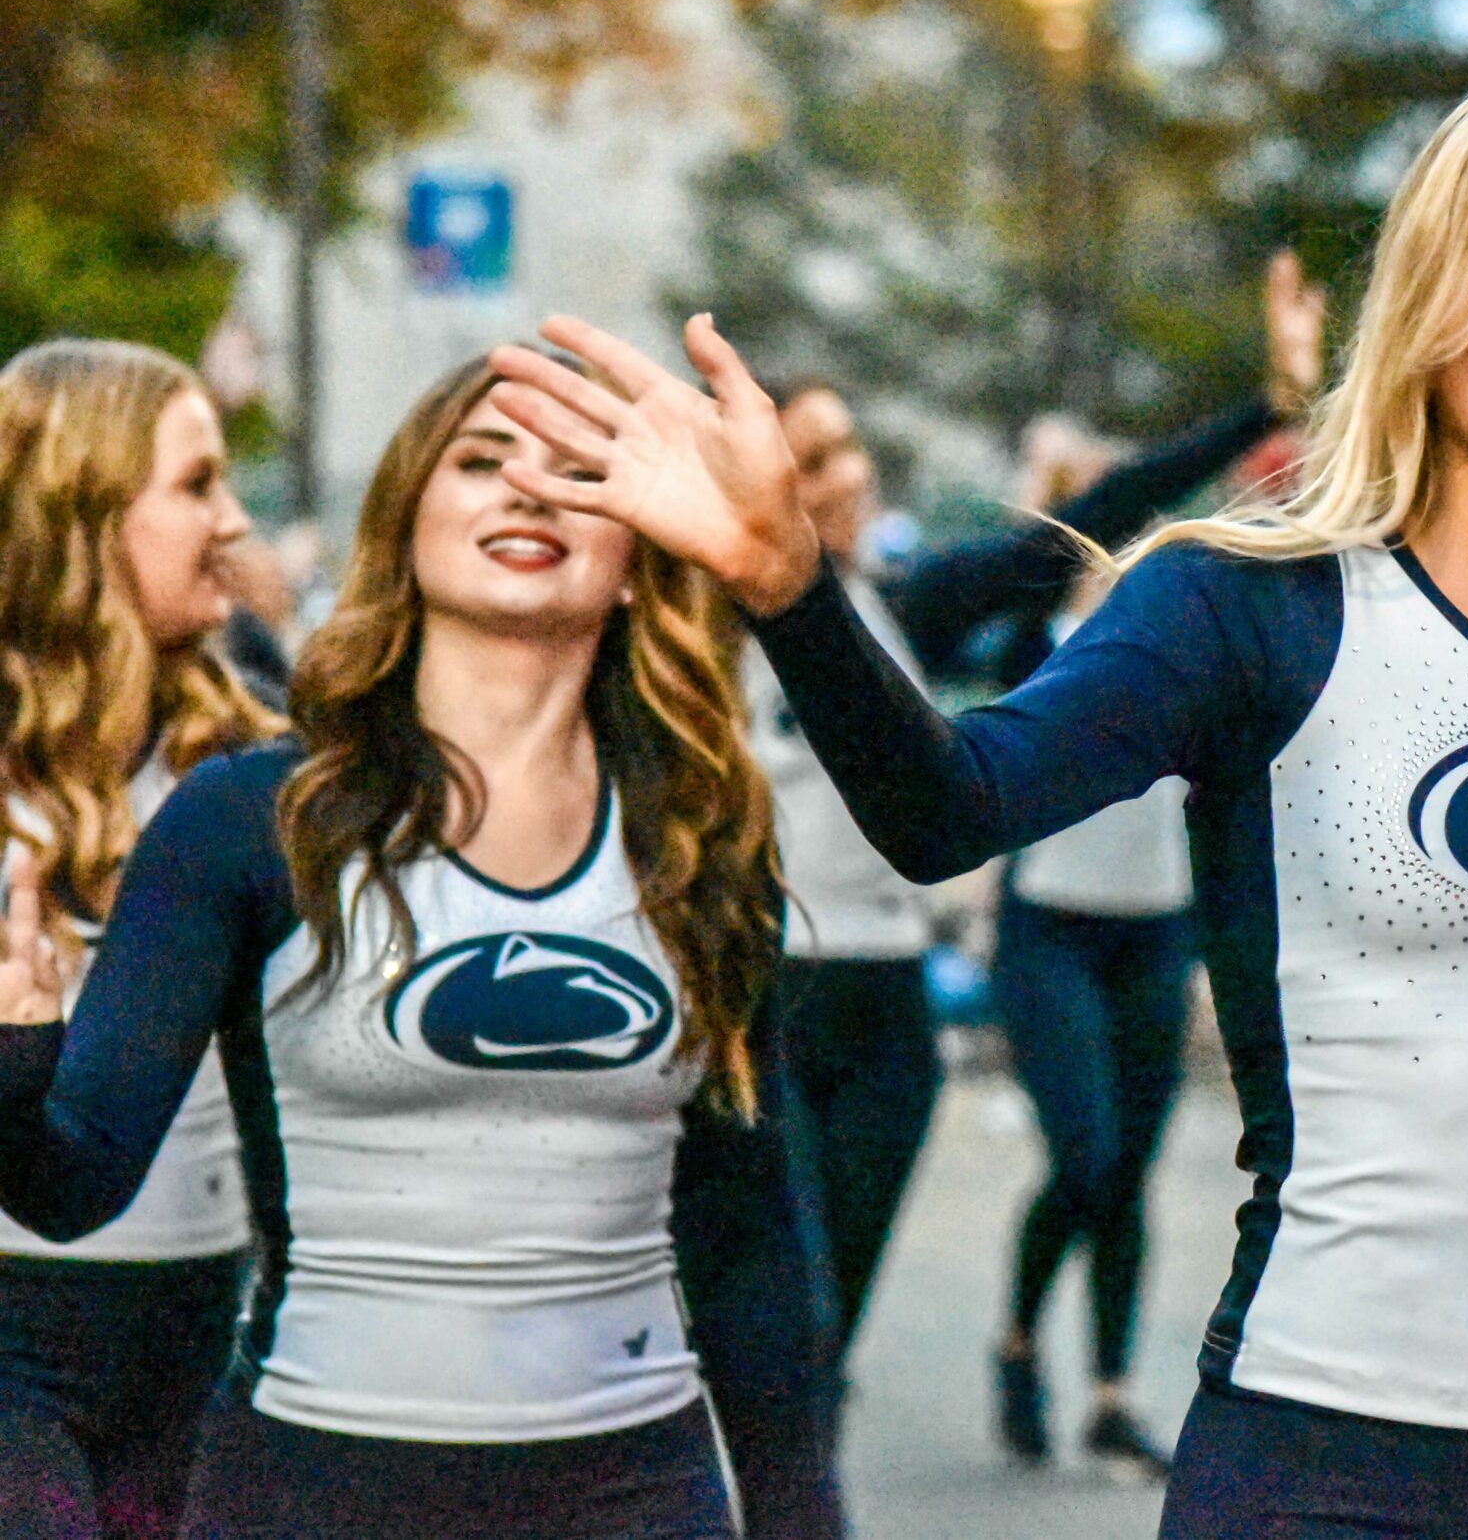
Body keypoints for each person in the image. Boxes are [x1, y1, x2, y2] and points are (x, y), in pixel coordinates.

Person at [489, 51, 1468, 1538]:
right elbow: (947, 804)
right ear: (1435, 288)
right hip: (1322, 1466)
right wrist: (793, 589)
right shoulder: (1249, 606)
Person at [0, 353, 834, 1538]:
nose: (527, 493)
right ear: (405, 523)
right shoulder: (252, 819)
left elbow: (749, 1240)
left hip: (636, 1490)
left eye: (581, 473)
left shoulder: (702, 836)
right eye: (484, 461)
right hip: (314, 1485)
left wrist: (806, 1515)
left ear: (643, 561)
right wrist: (15, 1056)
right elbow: (71, 1188)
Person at [743, 258, 1315, 1473]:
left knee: (829, 1317)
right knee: (768, 1315)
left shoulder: (913, 602)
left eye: (847, 449)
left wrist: (1264, 408)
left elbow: (1097, 514)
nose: (844, 476)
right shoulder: (693, 627)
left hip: (887, 997)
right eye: (810, 457)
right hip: (761, 992)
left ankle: (804, 1493)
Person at [985, 251, 1326, 1479]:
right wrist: (1040, 491)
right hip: (1051, 929)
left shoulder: (1192, 607)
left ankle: (1114, 1392)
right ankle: (1021, 1339)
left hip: (1156, 927)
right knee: (1080, 1155)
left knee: (1125, 1171)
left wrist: (1290, 401)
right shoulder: (1041, 620)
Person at [0, 341, 280, 1540]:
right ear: (87, 509)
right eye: (198, 483)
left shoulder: (257, 750)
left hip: (211, 1323)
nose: (233, 520)